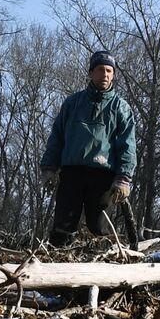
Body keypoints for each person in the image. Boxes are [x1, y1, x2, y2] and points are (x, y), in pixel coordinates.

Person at [39, 50, 137, 246]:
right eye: (100, 69)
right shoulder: (73, 103)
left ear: (113, 75)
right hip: (72, 173)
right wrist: (49, 167)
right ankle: (57, 260)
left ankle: (104, 263)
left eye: (109, 70)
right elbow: (57, 136)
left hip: (103, 176)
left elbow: (127, 145)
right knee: (63, 227)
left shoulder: (121, 107)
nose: (105, 74)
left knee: (99, 229)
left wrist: (124, 178)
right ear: (91, 72)